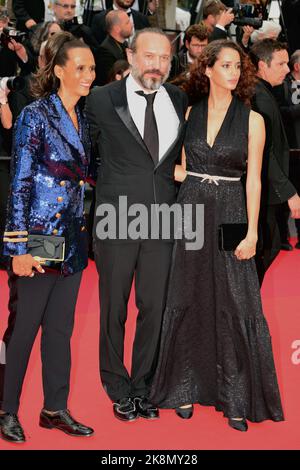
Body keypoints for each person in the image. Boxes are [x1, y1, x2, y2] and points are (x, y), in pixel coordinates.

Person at [150, 39, 284, 432]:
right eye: (225, 65)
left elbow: (255, 181)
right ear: (206, 69)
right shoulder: (189, 114)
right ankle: (185, 386)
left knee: (235, 301)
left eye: (236, 66)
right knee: (187, 295)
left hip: (231, 212)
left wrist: (254, 233)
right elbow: (181, 169)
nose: (233, 72)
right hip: (190, 212)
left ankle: (237, 395)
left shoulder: (252, 119)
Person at [85, 28, 188, 422]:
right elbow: (85, 154)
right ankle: (117, 385)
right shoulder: (100, 99)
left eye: (164, 58)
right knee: (113, 308)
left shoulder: (177, 98)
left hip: (163, 219)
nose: (157, 65)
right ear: (130, 56)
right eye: (149, 56)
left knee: (154, 307)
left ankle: (144, 385)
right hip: (115, 219)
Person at [0, 31, 95, 444]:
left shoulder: (84, 118)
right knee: (23, 329)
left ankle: (54, 408)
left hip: (71, 240)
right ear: (58, 71)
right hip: (38, 237)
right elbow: (19, 183)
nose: (89, 74)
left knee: (60, 329)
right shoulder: (34, 115)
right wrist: (17, 248)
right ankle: (5, 410)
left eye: (92, 68)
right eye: (81, 68)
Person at [250, 39, 300, 285]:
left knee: (267, 247)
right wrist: (289, 191)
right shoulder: (260, 97)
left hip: (265, 190)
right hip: (264, 191)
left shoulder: (263, 93)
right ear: (262, 65)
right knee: (263, 249)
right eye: (281, 63)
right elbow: (264, 151)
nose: (287, 69)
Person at [94, 9, 133, 85]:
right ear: (117, 28)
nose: (131, 25)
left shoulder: (124, 44)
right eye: (127, 23)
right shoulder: (104, 52)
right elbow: (109, 81)